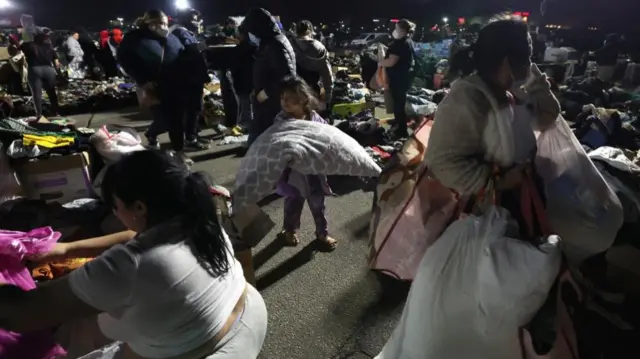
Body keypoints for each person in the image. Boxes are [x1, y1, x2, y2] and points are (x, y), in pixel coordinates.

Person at [0, 150, 268, 358]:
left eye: (115, 206)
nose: (114, 213)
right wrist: (66, 249)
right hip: (245, 316)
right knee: (91, 323)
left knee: (77, 326)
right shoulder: (197, 219)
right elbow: (137, 238)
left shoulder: (127, 266)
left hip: (204, 349)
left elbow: (21, 314)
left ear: (138, 207)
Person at [425, 16, 560, 236]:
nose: (530, 66)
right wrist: (500, 182)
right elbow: (442, 162)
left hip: (514, 206)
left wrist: (536, 80)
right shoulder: (468, 99)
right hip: (482, 221)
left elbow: (547, 116)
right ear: (508, 63)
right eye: (527, 60)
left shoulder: (509, 93)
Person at [118, 10, 199, 163]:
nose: (163, 27)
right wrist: (142, 79)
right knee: (164, 120)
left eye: (165, 23)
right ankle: (151, 134)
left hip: (175, 84)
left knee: (177, 119)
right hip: (154, 86)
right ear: (149, 23)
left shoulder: (171, 38)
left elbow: (181, 55)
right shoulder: (134, 39)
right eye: (159, 23)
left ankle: (179, 152)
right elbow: (124, 60)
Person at [275, 76, 337, 250]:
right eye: (282, 97)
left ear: (303, 98)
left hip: (314, 172)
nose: (285, 102)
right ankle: (289, 230)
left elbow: (327, 135)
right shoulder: (281, 120)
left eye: (290, 98)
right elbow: (277, 143)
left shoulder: (314, 118)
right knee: (293, 203)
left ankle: (322, 233)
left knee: (318, 204)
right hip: (293, 173)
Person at [242, 7, 296, 147]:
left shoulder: (275, 44)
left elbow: (287, 76)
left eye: (252, 31)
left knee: (264, 143)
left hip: (272, 104)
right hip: (269, 102)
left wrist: (265, 93)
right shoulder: (271, 41)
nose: (251, 35)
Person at [170, 8, 210, 150]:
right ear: (185, 19)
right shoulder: (180, 32)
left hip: (192, 77)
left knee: (195, 108)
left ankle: (193, 135)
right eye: (194, 19)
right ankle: (190, 140)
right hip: (188, 78)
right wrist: (206, 45)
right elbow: (190, 51)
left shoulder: (184, 32)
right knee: (192, 109)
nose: (197, 22)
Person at [377, 19, 416, 138]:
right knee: (398, 102)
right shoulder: (407, 41)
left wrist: (381, 62)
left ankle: (401, 130)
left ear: (403, 31)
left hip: (398, 79)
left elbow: (392, 61)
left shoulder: (401, 43)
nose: (394, 30)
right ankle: (398, 123)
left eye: (397, 28)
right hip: (403, 77)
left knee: (399, 103)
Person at [290, 20, 334, 110]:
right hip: (312, 90)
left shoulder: (289, 44)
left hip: (292, 90)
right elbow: (326, 73)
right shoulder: (319, 47)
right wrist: (328, 93)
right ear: (310, 31)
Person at [20, 31, 61, 120]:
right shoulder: (49, 46)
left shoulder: (29, 45)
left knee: (37, 94)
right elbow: (56, 62)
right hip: (49, 70)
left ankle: (39, 114)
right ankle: (56, 111)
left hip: (35, 70)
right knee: (51, 92)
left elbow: (19, 47)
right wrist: (58, 72)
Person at [229, 24, 257, 135]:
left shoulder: (237, 50)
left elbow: (234, 67)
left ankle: (248, 127)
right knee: (250, 105)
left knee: (245, 105)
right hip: (252, 81)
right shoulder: (254, 48)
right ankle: (249, 125)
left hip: (241, 82)